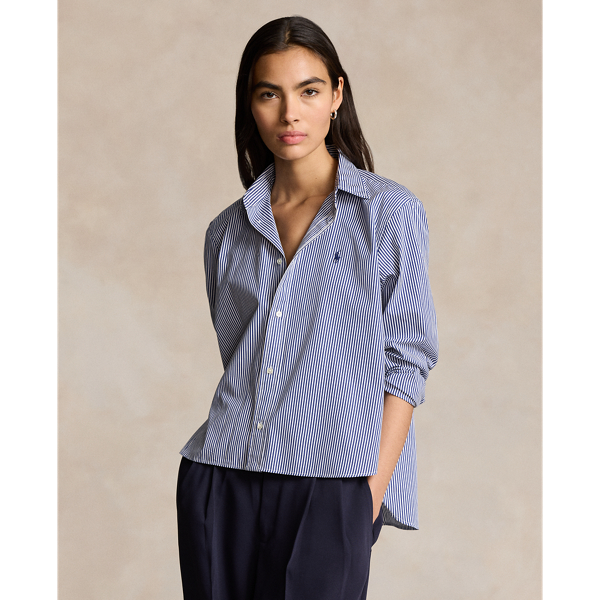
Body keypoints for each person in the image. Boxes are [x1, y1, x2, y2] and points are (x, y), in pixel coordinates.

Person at [176, 15, 438, 600]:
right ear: (250, 105)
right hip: (221, 476)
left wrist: (367, 493)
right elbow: (241, 360)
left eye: (309, 91)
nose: (289, 114)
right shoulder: (228, 232)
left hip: (332, 483)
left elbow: (408, 360)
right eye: (269, 94)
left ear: (337, 95)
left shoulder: (388, 214)